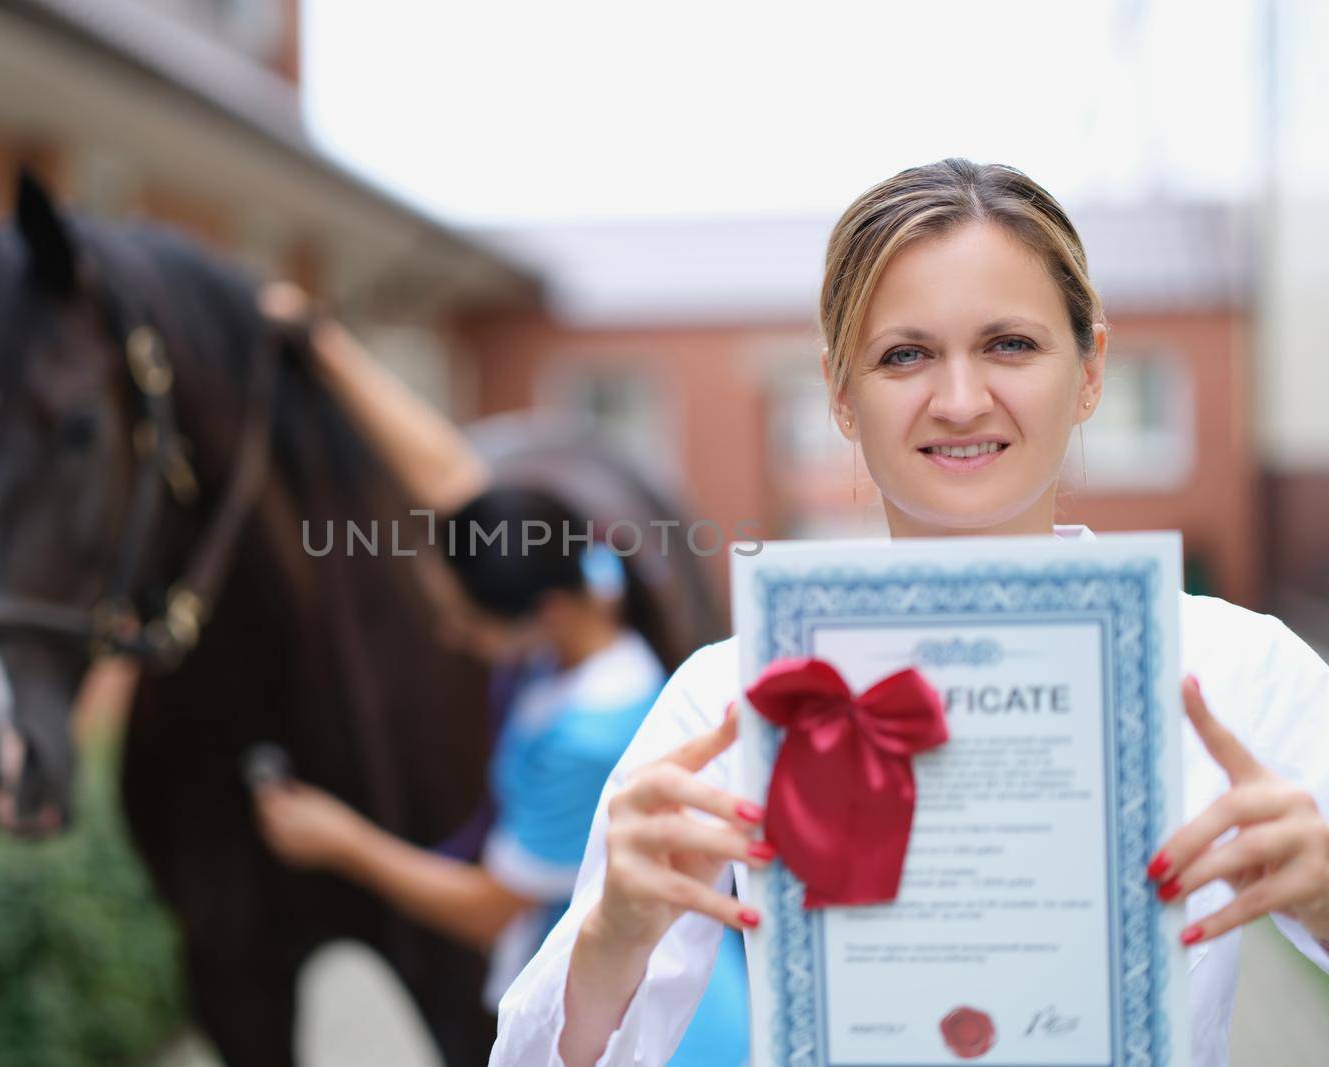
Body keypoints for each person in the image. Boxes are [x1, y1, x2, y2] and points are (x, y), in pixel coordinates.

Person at [489, 159, 1329, 1067]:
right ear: (842, 395)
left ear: (1090, 372)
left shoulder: (1239, 671)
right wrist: (617, 934)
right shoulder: (732, 698)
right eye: (905, 354)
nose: (961, 399)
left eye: (1010, 343)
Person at [250, 296, 750, 1064]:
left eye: (463, 622)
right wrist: (324, 345)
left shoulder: (592, 732)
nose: (452, 637)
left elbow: (490, 909)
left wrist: (341, 840)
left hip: (643, 1028)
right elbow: (454, 480)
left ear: (540, 613)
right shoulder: (577, 633)